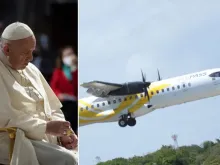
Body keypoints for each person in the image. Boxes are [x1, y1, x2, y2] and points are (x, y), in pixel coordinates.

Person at [0, 22, 78, 165]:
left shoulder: (32, 69)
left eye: (32, 51)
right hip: (15, 140)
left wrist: (64, 133)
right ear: (6, 49)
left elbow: (53, 107)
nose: (30, 58)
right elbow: (5, 119)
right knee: (68, 160)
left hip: (46, 137)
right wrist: (46, 127)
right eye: (25, 53)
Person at [50, 46, 78, 134]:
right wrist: (59, 95)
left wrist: (75, 68)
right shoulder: (58, 71)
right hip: (63, 103)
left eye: (71, 54)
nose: (70, 57)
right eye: (67, 55)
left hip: (74, 103)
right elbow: (53, 88)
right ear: (62, 58)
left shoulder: (76, 70)